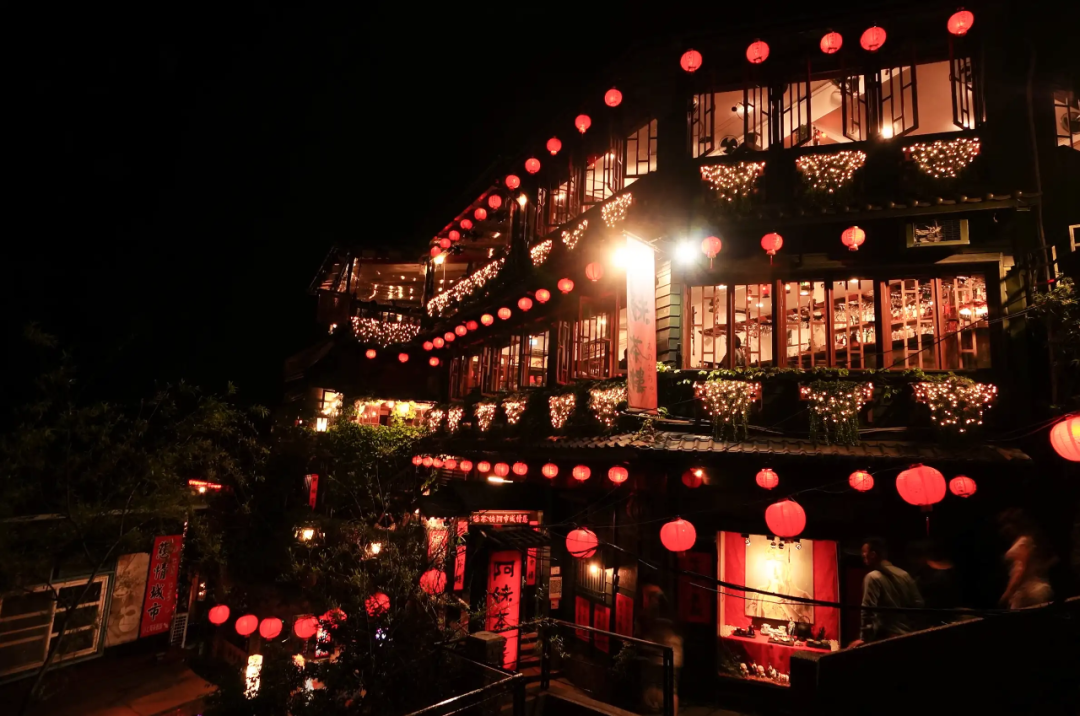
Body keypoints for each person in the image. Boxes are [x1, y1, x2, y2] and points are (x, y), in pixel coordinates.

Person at [849, 537, 924, 647]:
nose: (863, 558)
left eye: (864, 554)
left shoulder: (873, 577)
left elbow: (868, 612)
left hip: (885, 639)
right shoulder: (904, 575)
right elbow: (919, 604)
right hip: (908, 637)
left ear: (873, 555)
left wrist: (863, 639)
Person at [999, 509, 1055, 609]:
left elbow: (1019, 569)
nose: (1005, 528)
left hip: (1029, 592)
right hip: (1027, 591)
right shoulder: (1024, 541)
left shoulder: (1023, 542)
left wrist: (1008, 593)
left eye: (1007, 524)